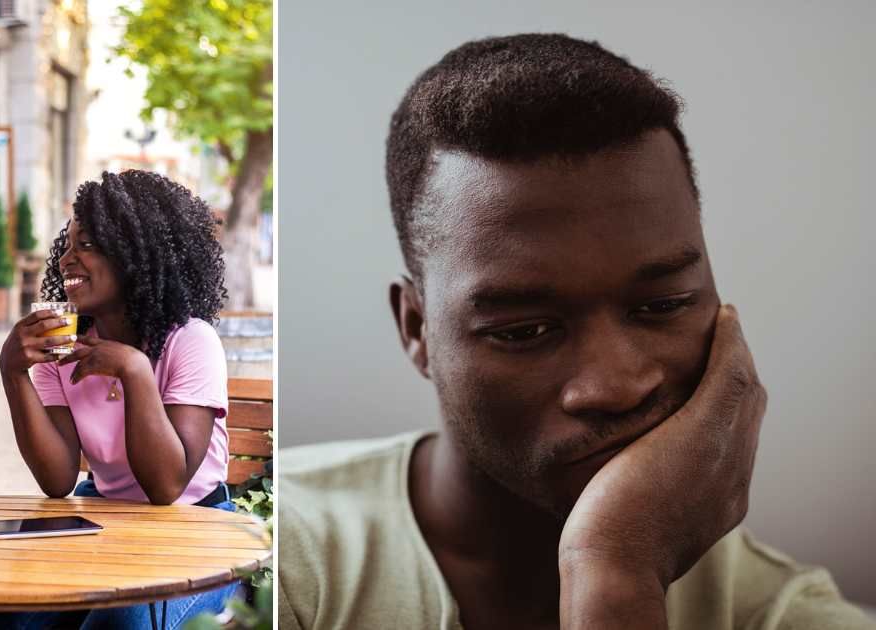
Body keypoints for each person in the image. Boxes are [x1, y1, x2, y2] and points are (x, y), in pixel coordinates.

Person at [278, 34, 876, 629]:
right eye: (525, 330)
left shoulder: (775, 614)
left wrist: (614, 573)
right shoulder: (282, 562)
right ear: (417, 329)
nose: (615, 386)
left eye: (663, 305)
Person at [0, 170, 237, 629]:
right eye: (66, 246)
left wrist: (134, 370)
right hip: (105, 519)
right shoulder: (61, 349)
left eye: (87, 245)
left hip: (196, 527)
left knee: (121, 622)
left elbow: (167, 488)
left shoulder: (190, 341)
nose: (67, 259)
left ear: (135, 254)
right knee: (15, 615)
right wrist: (13, 373)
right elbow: (58, 479)